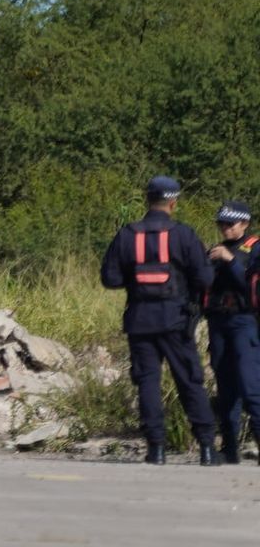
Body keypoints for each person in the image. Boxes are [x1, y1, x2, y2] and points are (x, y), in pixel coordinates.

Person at [100, 176, 218, 466]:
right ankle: (206, 448)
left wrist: (136, 278)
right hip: (177, 320)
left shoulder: (128, 234)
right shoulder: (183, 235)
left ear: (147, 200)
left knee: (147, 383)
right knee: (189, 381)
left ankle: (156, 449)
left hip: (140, 320)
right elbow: (205, 278)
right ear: (173, 203)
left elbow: (110, 279)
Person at [206, 201, 260, 464]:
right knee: (226, 389)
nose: (225, 229)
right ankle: (229, 449)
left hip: (245, 322)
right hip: (218, 323)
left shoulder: (255, 249)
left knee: (250, 386)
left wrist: (231, 263)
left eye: (231, 224)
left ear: (245, 224)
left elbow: (250, 285)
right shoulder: (215, 251)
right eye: (222, 224)